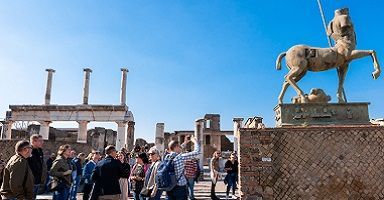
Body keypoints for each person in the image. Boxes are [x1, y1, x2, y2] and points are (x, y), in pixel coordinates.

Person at [165, 135, 200, 200]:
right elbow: (197, 152)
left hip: (169, 187)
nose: (181, 148)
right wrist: (195, 142)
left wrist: (185, 142)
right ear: (175, 147)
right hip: (179, 188)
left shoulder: (166, 157)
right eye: (179, 146)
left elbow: (174, 147)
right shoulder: (180, 157)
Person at [27, 134, 45, 199]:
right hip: (30, 181)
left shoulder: (40, 151)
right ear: (34, 142)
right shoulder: (28, 151)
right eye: (40, 141)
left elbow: (41, 165)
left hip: (38, 179)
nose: (42, 142)